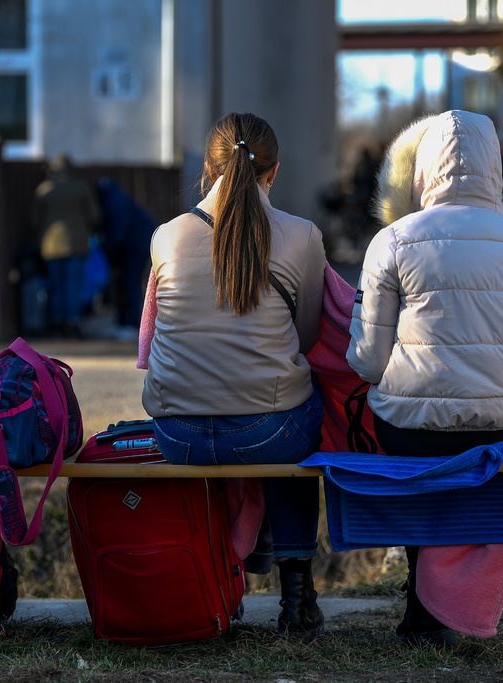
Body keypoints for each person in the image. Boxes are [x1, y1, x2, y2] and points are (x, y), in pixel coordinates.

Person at [346, 110, 503, 645]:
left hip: (409, 432)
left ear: (422, 169)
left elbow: (367, 364)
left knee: (408, 446)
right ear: (494, 168)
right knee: (479, 450)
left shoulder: (394, 241)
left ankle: (420, 606)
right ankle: (455, 602)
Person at [140, 112, 327, 640]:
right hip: (267, 434)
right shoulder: (302, 236)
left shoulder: (165, 237)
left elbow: (155, 337)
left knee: (259, 420)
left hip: (178, 434)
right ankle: (296, 595)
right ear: (275, 172)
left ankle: (223, 579)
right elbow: (308, 338)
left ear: (207, 167)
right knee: (302, 412)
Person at [31, 154, 101, 338]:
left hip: (50, 245)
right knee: (73, 286)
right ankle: (73, 323)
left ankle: (57, 324)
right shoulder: (80, 187)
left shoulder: (44, 189)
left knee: (56, 286)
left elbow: (34, 220)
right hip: (76, 243)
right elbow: (94, 216)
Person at [94, 177, 157, 339]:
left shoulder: (114, 204)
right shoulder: (117, 199)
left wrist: (104, 247)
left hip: (136, 246)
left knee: (130, 281)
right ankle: (127, 321)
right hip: (136, 245)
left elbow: (117, 233)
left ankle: (131, 322)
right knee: (128, 281)